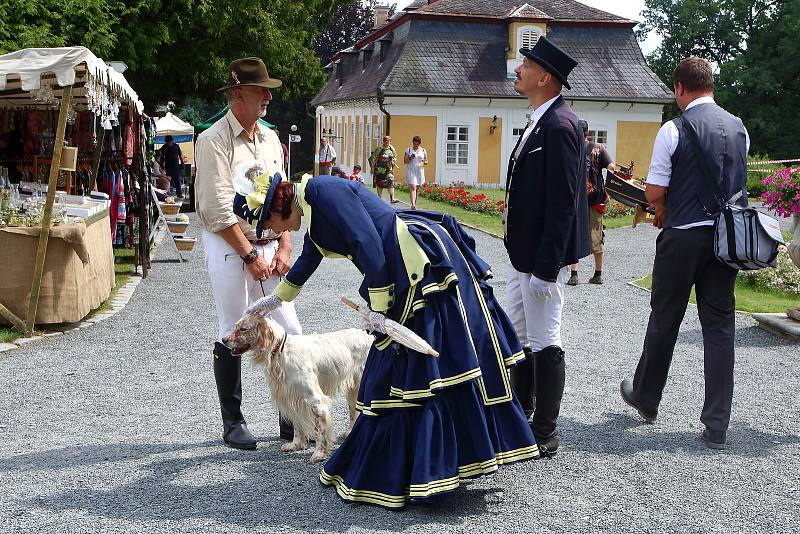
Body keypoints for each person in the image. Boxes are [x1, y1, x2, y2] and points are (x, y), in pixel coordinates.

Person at [240, 173, 538, 509]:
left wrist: (380, 309)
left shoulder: (323, 193)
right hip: (392, 267)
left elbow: (368, 243)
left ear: (280, 206)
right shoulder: (313, 206)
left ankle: (432, 465)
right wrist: (274, 301)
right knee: (407, 369)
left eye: (273, 223)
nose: (281, 232)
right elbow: (310, 257)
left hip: (411, 262)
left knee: (426, 368)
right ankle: (417, 465)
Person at [619, 57, 749, 450]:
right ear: (710, 85)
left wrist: (662, 202)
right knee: (720, 325)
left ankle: (645, 396)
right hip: (726, 239)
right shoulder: (739, 127)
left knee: (665, 315)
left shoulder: (674, 129)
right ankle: (717, 423)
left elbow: (655, 193)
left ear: (679, 88)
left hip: (684, 235)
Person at [194, 57, 302, 450]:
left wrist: (285, 244)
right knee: (233, 327)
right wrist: (248, 254)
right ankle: (233, 422)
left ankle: (290, 419)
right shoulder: (213, 141)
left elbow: (285, 194)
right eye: (261, 91)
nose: (268, 97)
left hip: (268, 244)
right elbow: (217, 209)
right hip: (228, 243)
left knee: (289, 329)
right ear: (238, 94)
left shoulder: (271, 138)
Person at [503, 37, 588, 457]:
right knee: (517, 334)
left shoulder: (560, 125)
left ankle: (545, 431)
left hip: (539, 259)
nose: (518, 71)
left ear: (545, 77)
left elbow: (564, 203)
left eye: (525, 65)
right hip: (522, 256)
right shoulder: (541, 119)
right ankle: (522, 411)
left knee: (545, 337)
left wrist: (548, 268)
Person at [567, 120, 616, 286]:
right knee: (596, 235)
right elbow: (611, 167)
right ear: (588, 132)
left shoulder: (571, 148)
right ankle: (598, 274)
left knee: (574, 234)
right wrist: (608, 190)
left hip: (576, 198)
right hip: (595, 197)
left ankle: (574, 274)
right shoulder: (599, 148)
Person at [369, 135, 398, 203]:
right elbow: (373, 159)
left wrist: (393, 162)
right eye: (386, 141)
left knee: (391, 181)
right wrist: (372, 168)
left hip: (389, 169)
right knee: (380, 183)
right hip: (380, 169)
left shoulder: (391, 149)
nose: (387, 142)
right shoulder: (379, 149)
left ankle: (392, 198)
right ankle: (379, 198)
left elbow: (395, 157)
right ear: (383, 141)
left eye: (388, 141)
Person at [403, 135, 428, 209]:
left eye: (417, 144)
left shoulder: (423, 150)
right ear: (412, 143)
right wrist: (410, 158)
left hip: (419, 170)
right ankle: (413, 204)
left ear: (419, 143)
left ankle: (414, 203)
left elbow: (427, 161)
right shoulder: (408, 150)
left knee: (417, 188)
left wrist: (424, 161)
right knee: (413, 186)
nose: (415, 145)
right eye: (414, 144)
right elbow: (405, 161)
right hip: (411, 170)